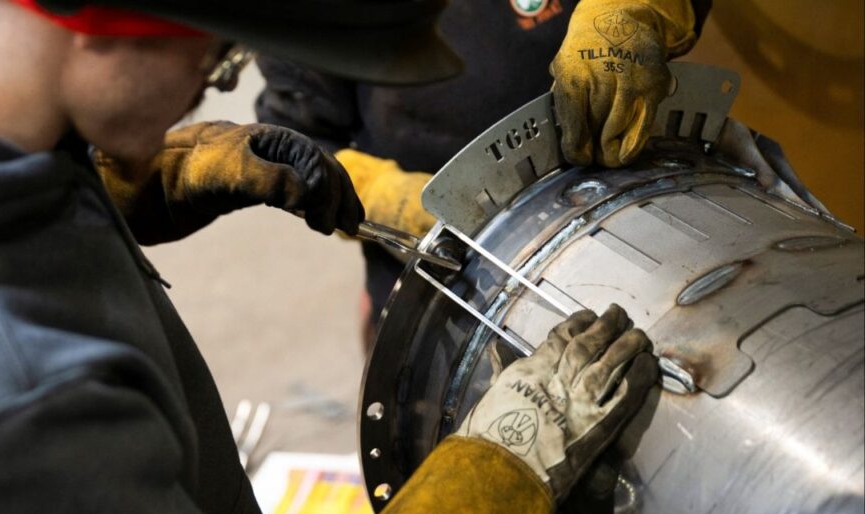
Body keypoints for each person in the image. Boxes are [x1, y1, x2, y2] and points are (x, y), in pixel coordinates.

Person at [0, 1, 658, 514]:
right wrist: (491, 477)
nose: (209, 85)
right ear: (96, 21)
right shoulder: (4, 414)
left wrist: (115, 188)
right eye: (216, 55)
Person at [256, 0, 712, 348]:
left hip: (637, 231)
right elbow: (292, 144)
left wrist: (633, 11)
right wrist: (393, 201)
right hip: (455, 282)